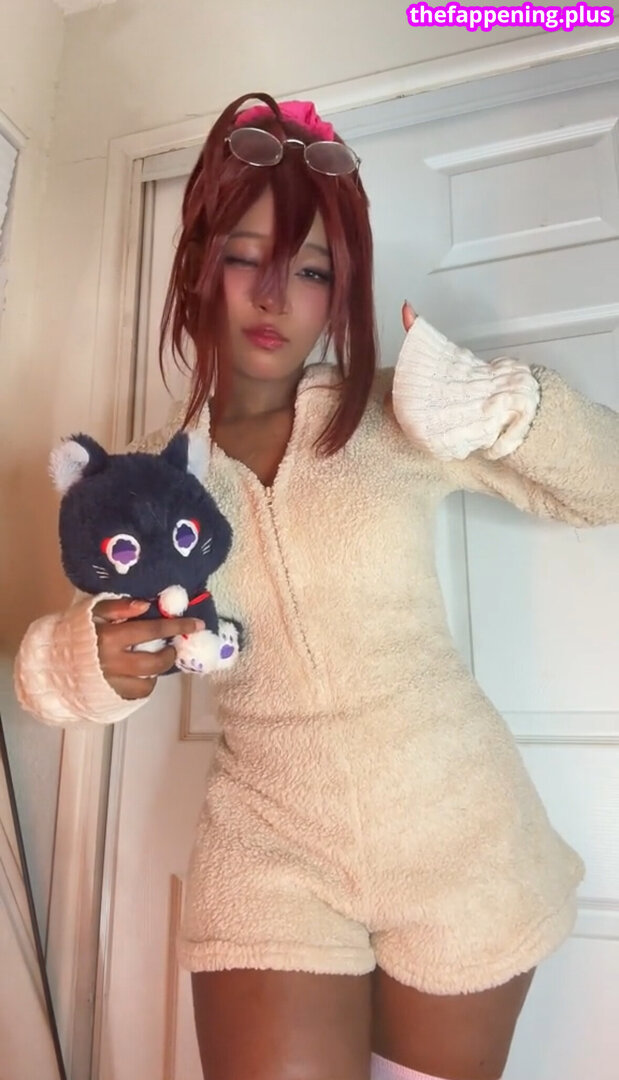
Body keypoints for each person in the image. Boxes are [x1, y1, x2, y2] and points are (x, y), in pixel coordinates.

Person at [14, 92, 619, 1080]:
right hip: (269, 847)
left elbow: (605, 485)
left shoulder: (397, 415)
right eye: (246, 256)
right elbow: (61, 666)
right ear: (198, 263)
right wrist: (93, 660)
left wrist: (504, 405)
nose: (273, 296)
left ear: (339, 291)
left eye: (310, 270)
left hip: (461, 834)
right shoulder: (151, 478)